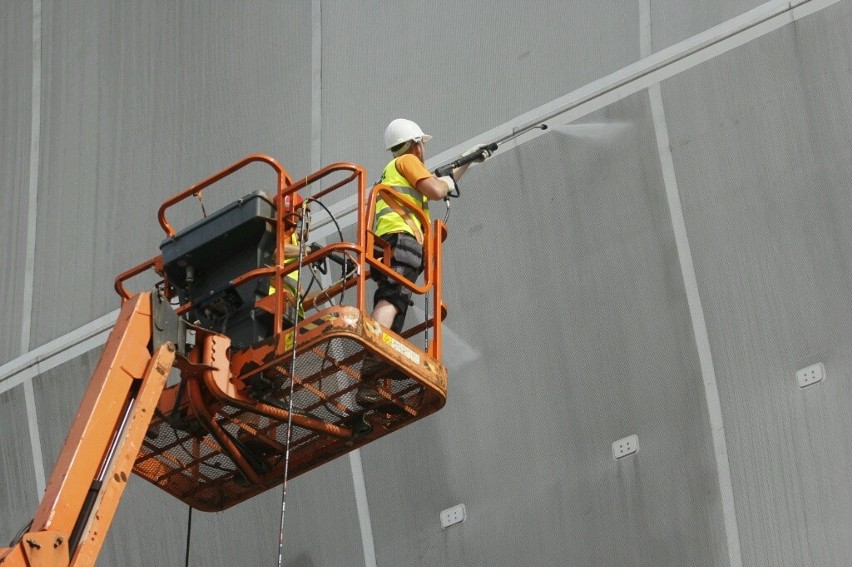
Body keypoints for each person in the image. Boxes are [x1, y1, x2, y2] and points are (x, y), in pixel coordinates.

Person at [370, 118, 484, 334]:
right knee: (392, 297)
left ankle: (379, 358)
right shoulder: (408, 161)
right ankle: (374, 345)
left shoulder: (390, 173)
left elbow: (434, 182)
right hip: (402, 241)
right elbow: (437, 190)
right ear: (416, 145)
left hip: (386, 244)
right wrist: (445, 184)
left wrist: (466, 161)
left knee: (396, 300)